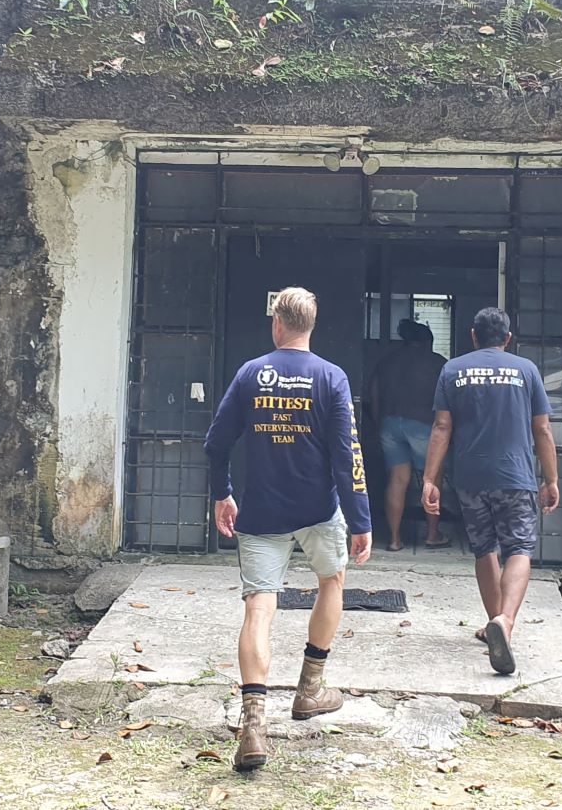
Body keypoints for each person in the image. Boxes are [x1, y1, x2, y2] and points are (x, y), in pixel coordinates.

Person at [204, 286, 374, 773]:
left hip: (260, 512)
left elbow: (216, 443)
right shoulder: (332, 378)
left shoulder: (250, 374)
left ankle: (253, 723)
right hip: (319, 510)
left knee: (260, 606)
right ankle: (309, 689)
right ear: (310, 327)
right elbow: (348, 455)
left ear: (276, 324)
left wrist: (223, 493)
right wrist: (360, 518)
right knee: (332, 581)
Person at [420, 307, 558, 676]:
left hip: (470, 477)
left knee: (484, 549)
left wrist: (429, 479)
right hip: (516, 476)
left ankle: (494, 622)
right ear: (508, 338)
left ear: (473, 335)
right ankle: (506, 622)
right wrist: (552, 479)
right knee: (520, 548)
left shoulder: (452, 370)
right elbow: (542, 430)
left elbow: (441, 427)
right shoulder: (526, 370)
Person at [364, 318, 450, 552]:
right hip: (424, 425)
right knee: (432, 479)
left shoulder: (387, 362)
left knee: (397, 479)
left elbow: (374, 395)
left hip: (390, 424)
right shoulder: (438, 363)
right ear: (426, 342)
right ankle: (432, 535)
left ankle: (394, 539)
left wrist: (377, 423)